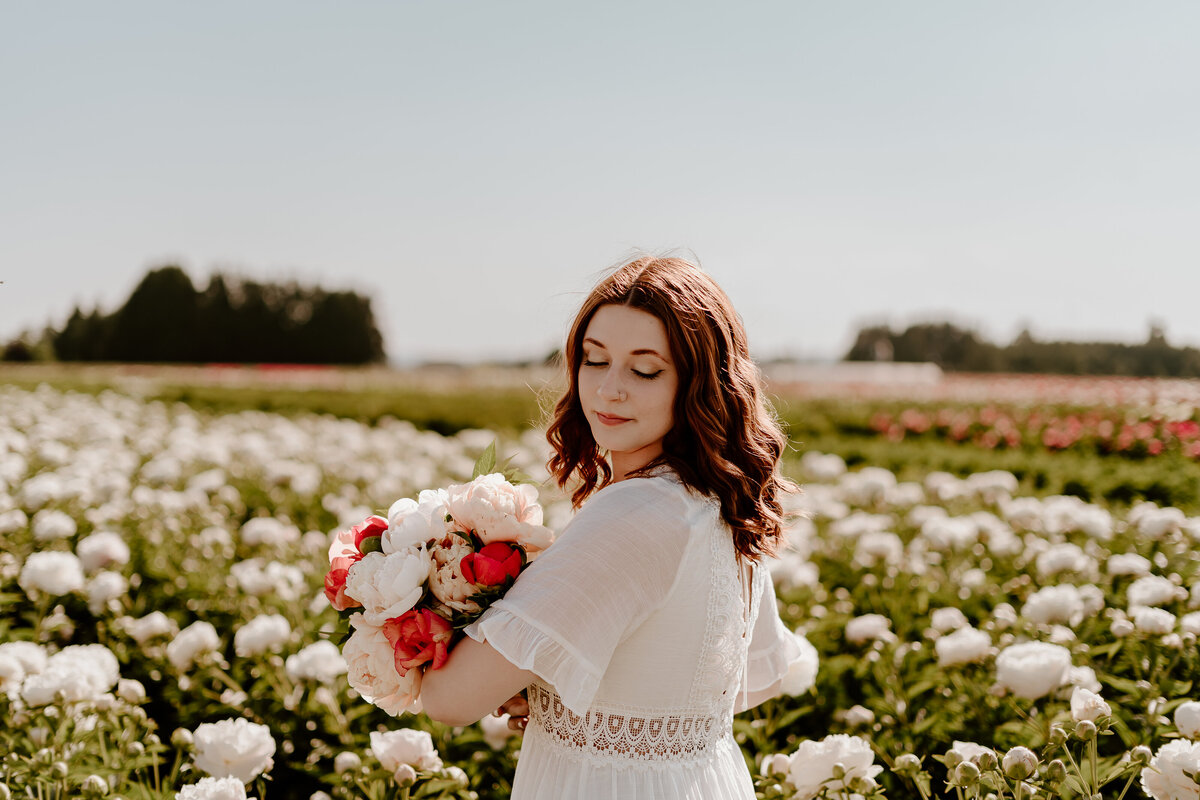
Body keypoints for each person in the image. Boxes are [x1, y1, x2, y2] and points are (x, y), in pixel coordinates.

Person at [421, 254, 806, 799]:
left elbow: (450, 700)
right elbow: (743, 680)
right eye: (594, 360)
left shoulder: (637, 512)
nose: (608, 389)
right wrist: (551, 689)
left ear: (701, 381)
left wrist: (398, 608)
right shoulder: (719, 500)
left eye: (645, 369)